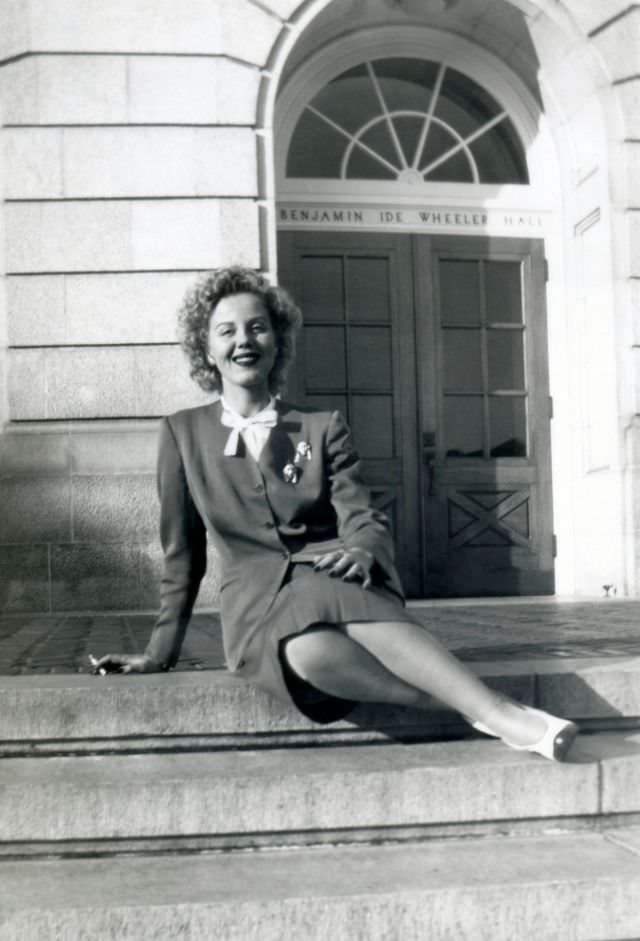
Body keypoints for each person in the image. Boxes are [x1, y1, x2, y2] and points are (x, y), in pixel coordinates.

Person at [94, 266, 578, 761]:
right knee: (308, 654)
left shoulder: (317, 428)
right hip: (255, 603)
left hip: (334, 575)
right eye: (227, 331)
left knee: (326, 590)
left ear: (278, 340)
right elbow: (182, 555)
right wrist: (160, 652)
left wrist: (363, 551)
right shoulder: (182, 433)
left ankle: (497, 713)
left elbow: (360, 515)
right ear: (207, 348)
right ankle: (476, 708)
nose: (244, 340)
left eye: (258, 326)